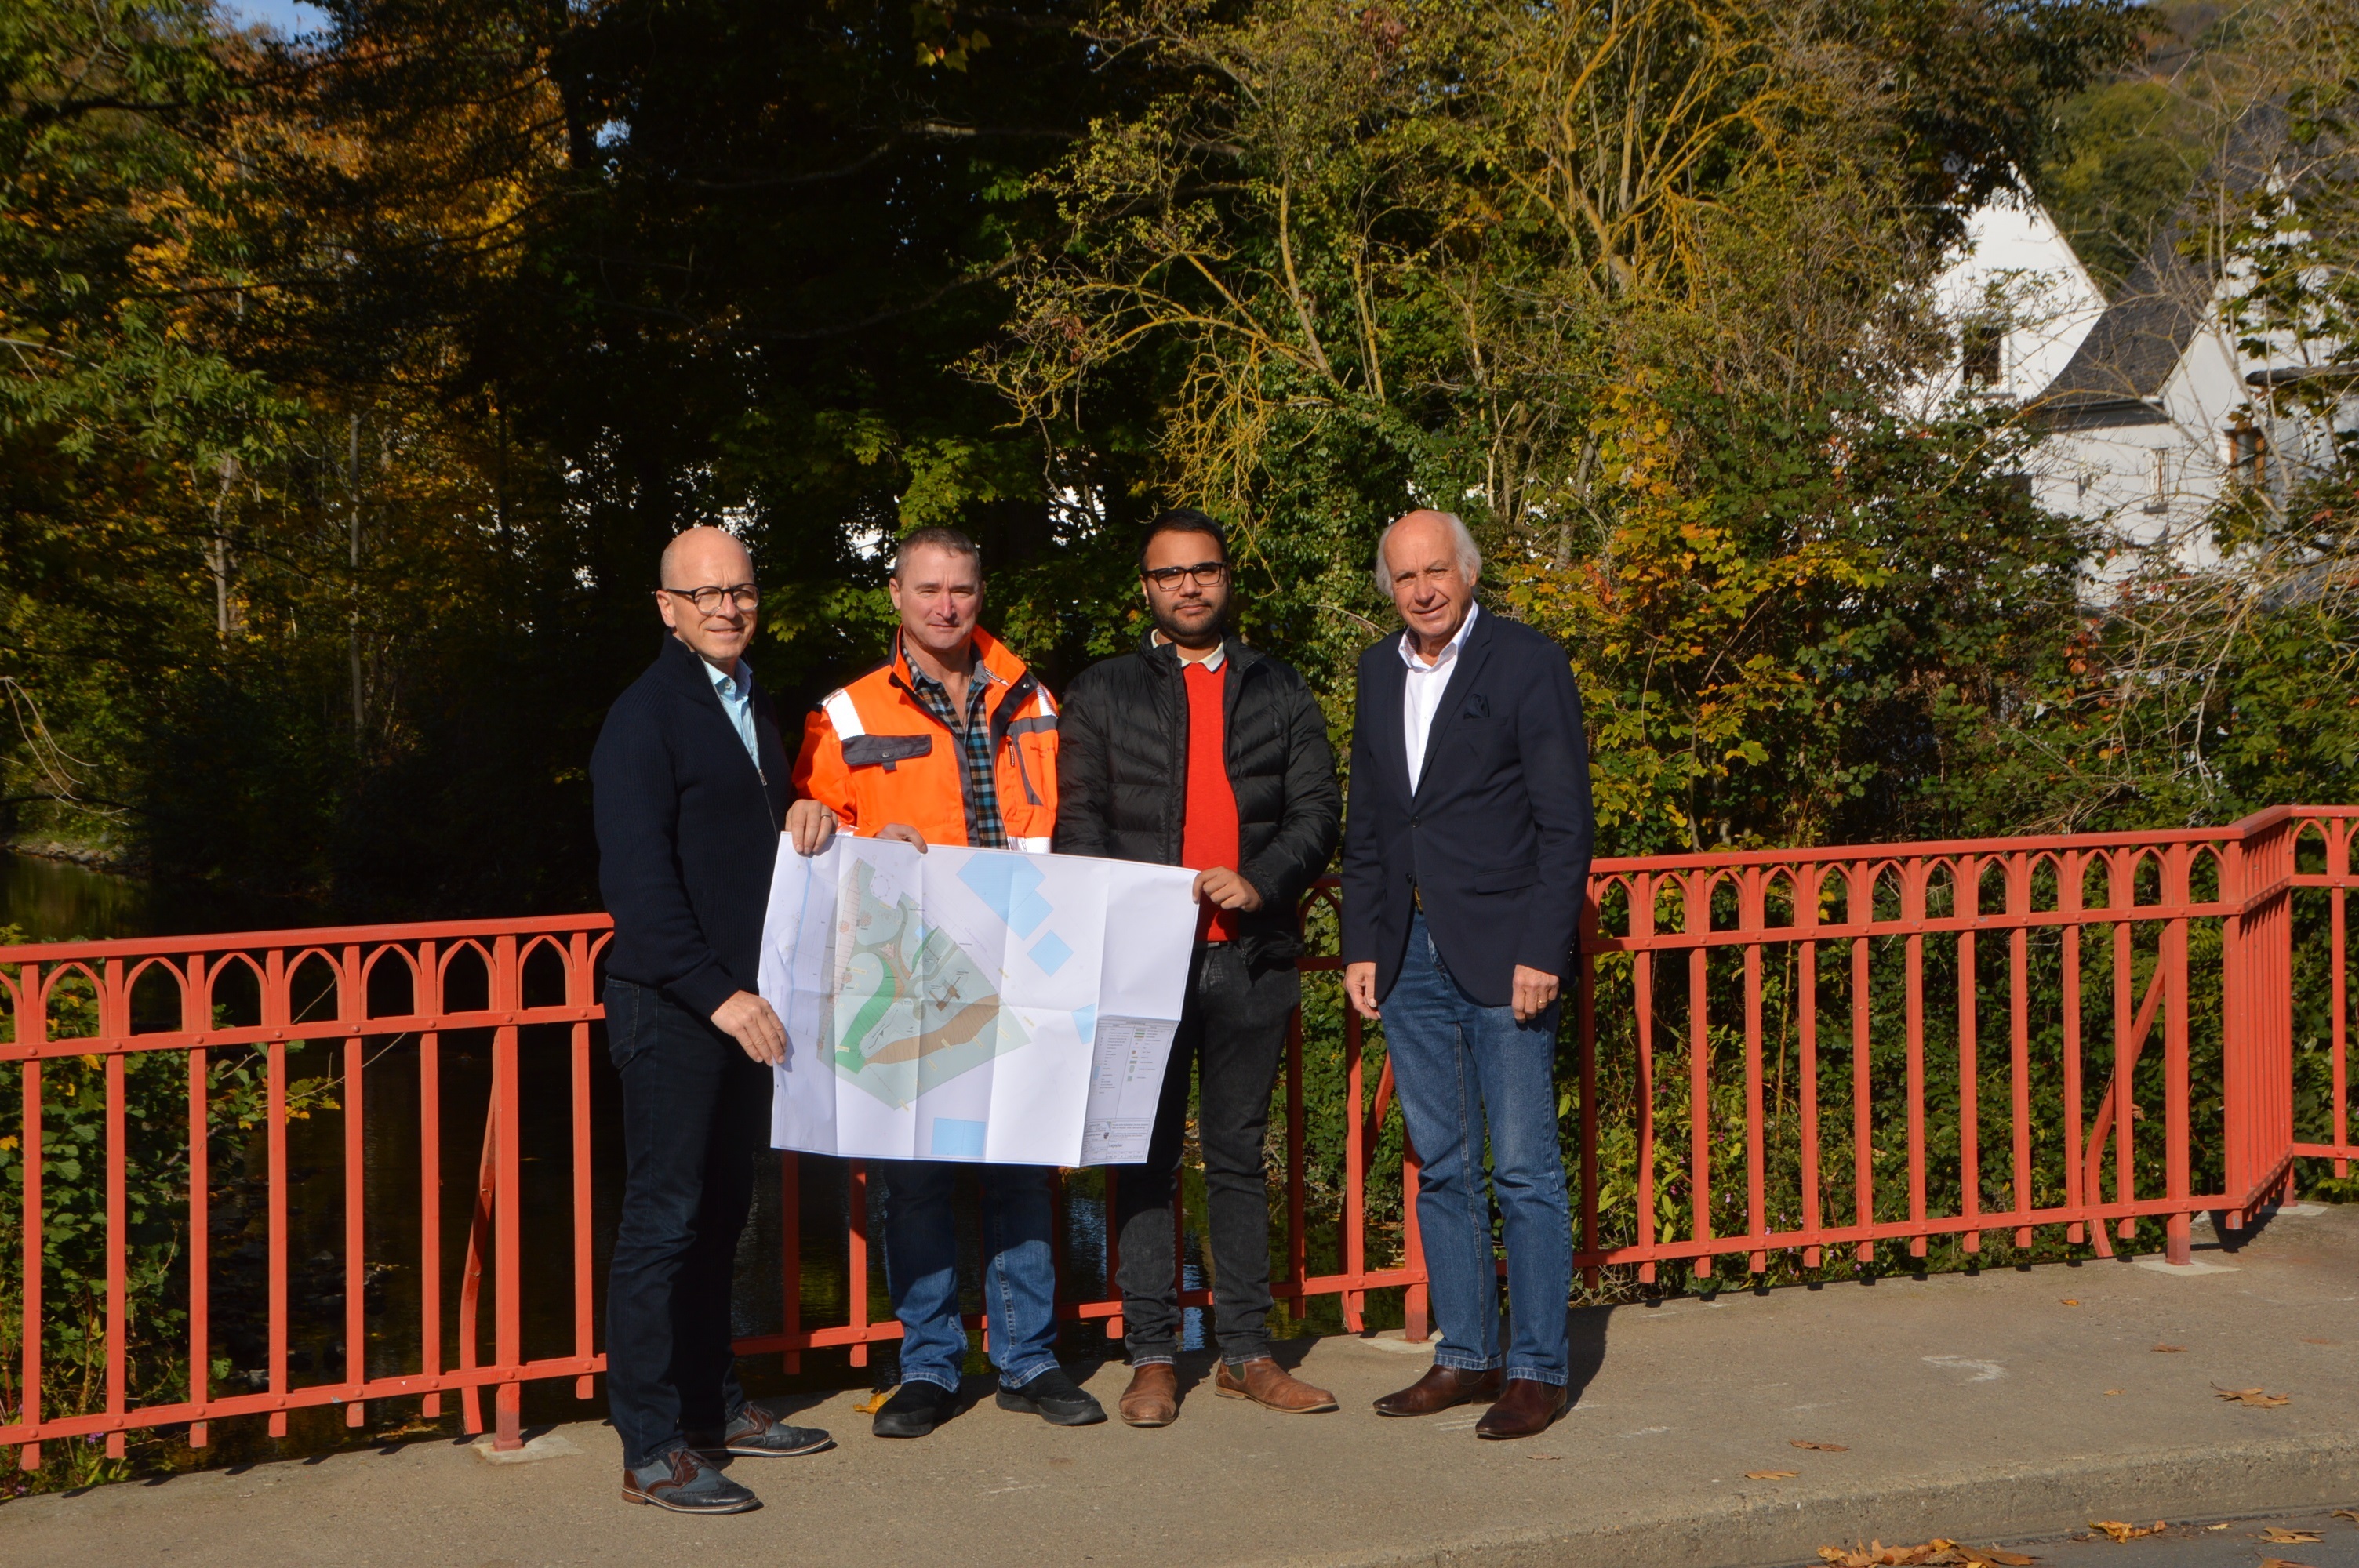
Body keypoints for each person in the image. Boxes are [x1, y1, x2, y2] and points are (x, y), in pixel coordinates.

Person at [791, 525, 1104, 1437]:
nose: (945, 605)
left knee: (1020, 1171)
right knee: (916, 1178)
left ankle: (1027, 1359)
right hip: (910, 972)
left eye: (960, 589)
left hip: (1025, 962)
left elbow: (1080, 821)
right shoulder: (845, 713)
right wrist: (849, 840)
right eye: (927, 588)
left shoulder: (1038, 699)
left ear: (979, 592)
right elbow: (813, 834)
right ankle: (927, 1365)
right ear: (894, 593)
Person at [1054, 509, 1343, 1427]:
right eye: (1170, 573)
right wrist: (1122, 916)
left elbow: (1315, 810)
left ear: (1226, 579)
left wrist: (1260, 883)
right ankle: (1151, 1357)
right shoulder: (1100, 692)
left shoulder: (1279, 687)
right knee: (1138, 1158)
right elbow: (1079, 822)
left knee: (1235, 1157)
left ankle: (1246, 1352)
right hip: (1141, 967)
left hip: (1247, 958)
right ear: (1145, 588)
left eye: (1204, 570)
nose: (1189, 586)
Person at [591, 524, 844, 1514]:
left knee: (723, 1215)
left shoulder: (748, 700)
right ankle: (650, 1446)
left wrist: (798, 814)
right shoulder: (642, 717)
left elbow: (737, 839)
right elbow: (639, 887)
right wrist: (717, 993)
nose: (726, 607)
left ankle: (713, 1405)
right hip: (678, 1007)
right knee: (661, 1222)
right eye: (704, 595)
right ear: (666, 608)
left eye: (738, 589)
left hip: (748, 1010)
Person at [1339, 509, 1594, 1440]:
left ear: (1468, 570)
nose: (1423, 590)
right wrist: (1362, 942)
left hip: (1503, 954)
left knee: (1523, 1170)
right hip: (1406, 955)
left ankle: (1534, 1368)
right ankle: (1465, 1353)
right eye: (1405, 576)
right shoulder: (1376, 670)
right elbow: (1371, 821)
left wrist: (1543, 948)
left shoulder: (1527, 662)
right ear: (1389, 585)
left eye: (1436, 570)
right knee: (1441, 1167)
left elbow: (1565, 822)